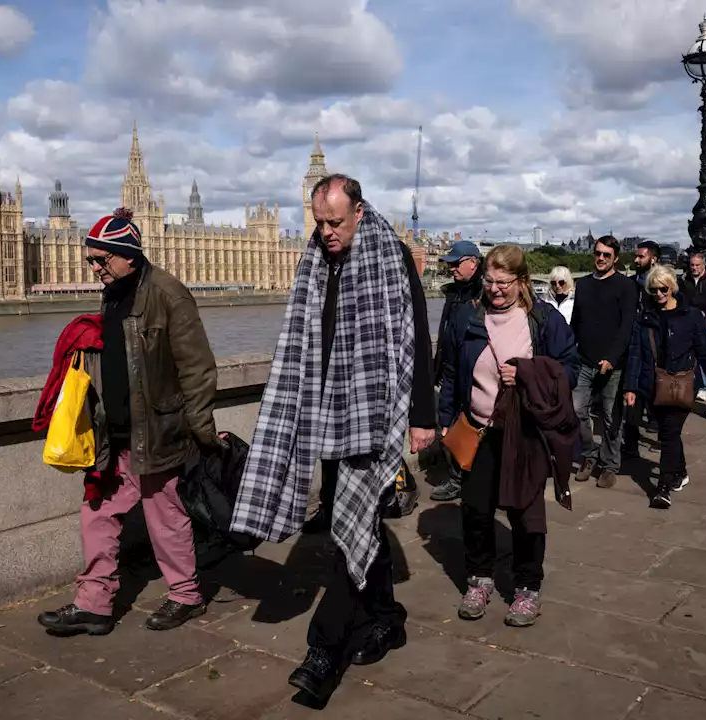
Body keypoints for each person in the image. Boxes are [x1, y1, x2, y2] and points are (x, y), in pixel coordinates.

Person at [230, 175, 435, 707]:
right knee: (359, 520)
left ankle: (322, 653)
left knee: (349, 527)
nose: (325, 232)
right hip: (324, 413)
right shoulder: (315, 258)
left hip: (370, 410)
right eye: (319, 222)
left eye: (335, 222)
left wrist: (422, 415)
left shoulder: (391, 257)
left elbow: (417, 338)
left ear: (360, 212)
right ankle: (387, 619)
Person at [37, 207, 221, 637]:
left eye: (102, 260)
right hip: (115, 432)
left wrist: (200, 431)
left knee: (166, 518)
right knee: (97, 513)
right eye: (91, 262)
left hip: (158, 431)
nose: (96, 268)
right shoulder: (114, 292)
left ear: (129, 254)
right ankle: (94, 604)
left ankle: (186, 596)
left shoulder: (168, 294)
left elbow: (198, 369)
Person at [437, 244, 580, 627]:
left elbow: (570, 369)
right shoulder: (467, 316)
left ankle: (527, 588)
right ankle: (479, 580)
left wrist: (530, 374)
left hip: (525, 433)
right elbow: (451, 370)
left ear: (521, 282)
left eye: (503, 282)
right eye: (489, 281)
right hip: (478, 430)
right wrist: (446, 419)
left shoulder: (543, 320)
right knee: (476, 511)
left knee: (525, 515)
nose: (495, 289)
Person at [623, 266, 706, 509]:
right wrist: (631, 388)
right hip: (651, 386)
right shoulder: (644, 318)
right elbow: (635, 355)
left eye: (663, 289)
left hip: (681, 384)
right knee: (668, 434)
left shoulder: (691, 316)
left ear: (672, 288)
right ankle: (680, 470)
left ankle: (663, 487)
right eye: (653, 289)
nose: (658, 293)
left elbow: (705, 353)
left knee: (669, 433)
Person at [569, 236, 637, 488]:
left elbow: (626, 327)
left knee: (610, 418)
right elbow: (576, 322)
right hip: (584, 361)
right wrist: (567, 349)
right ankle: (589, 454)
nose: (600, 258)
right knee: (577, 411)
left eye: (606, 255)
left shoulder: (626, 286)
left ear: (616, 258)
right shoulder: (584, 284)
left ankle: (610, 465)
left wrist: (612, 357)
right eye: (598, 253)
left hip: (613, 365)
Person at [428, 240, 484, 502]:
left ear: (473, 263)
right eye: (449, 264)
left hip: (477, 374)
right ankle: (457, 477)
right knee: (446, 425)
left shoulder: (485, 294)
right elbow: (445, 332)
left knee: (477, 430)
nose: (451, 268)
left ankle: (475, 481)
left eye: (456, 263)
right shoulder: (454, 294)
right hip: (451, 369)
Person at [624, 240, 662, 449]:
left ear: (653, 258)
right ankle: (630, 441)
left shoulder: (660, 285)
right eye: (636, 256)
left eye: (641, 257)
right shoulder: (631, 282)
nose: (636, 260)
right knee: (630, 389)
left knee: (654, 388)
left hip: (652, 342)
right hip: (632, 339)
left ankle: (660, 434)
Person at [680, 252, 706, 401]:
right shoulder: (684, 279)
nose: (694, 268)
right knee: (691, 354)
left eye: (697, 265)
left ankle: (703, 386)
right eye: (692, 265)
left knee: (704, 353)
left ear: (704, 265)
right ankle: (693, 384)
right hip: (688, 322)